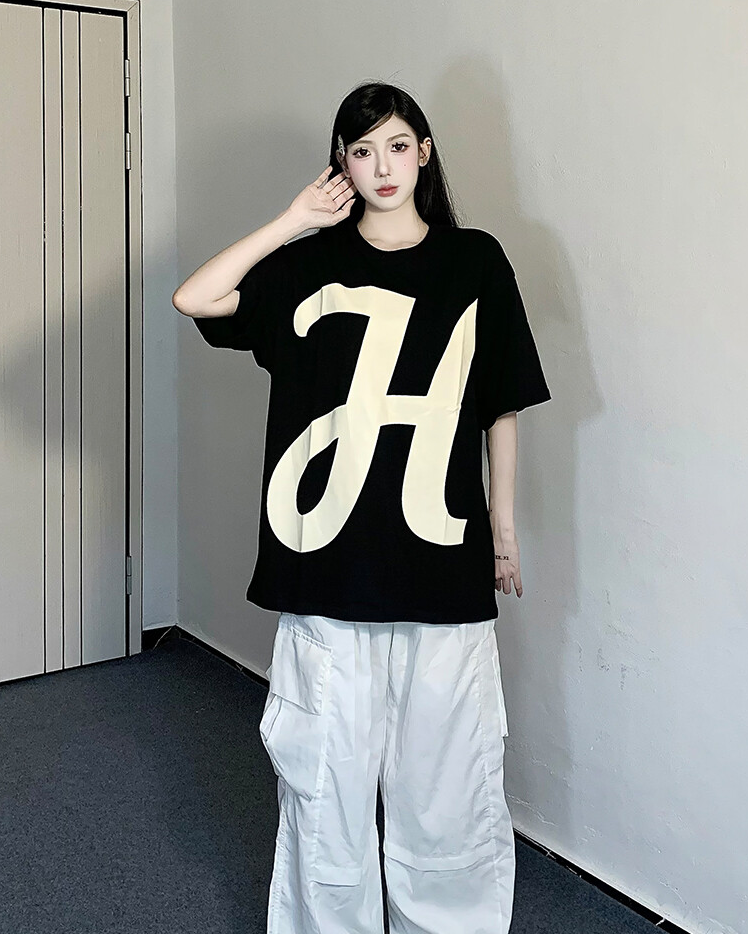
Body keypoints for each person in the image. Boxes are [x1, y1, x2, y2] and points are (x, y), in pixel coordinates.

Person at [172, 81, 551, 934]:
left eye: (398, 145)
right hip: (328, 562)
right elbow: (196, 298)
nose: (383, 166)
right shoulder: (308, 264)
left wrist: (502, 528)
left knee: (448, 779)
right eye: (362, 149)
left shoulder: (475, 261)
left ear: (425, 153)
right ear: (339, 163)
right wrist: (292, 222)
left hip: (440, 559)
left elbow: (500, 403)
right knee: (325, 781)